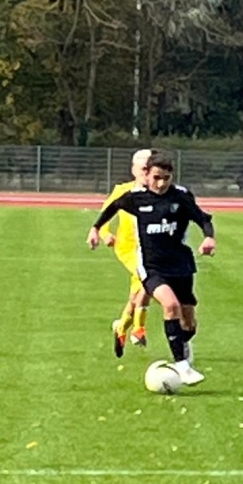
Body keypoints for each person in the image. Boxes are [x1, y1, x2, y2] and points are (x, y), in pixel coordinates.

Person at [86, 151, 216, 386]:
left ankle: (182, 342)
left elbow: (203, 218)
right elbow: (112, 207)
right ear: (146, 175)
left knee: (188, 324)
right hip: (151, 266)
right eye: (157, 177)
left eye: (166, 178)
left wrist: (209, 238)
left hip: (181, 265)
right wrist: (96, 229)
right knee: (170, 305)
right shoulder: (136, 198)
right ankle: (182, 367)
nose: (161, 183)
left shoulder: (181, 197)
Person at [98, 148, 153, 357]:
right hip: (128, 247)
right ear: (134, 170)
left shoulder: (159, 192)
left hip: (151, 248)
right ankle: (138, 329)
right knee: (145, 279)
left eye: (150, 168)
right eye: (143, 168)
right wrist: (104, 234)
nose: (147, 173)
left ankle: (121, 326)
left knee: (139, 290)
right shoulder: (123, 191)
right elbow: (105, 212)